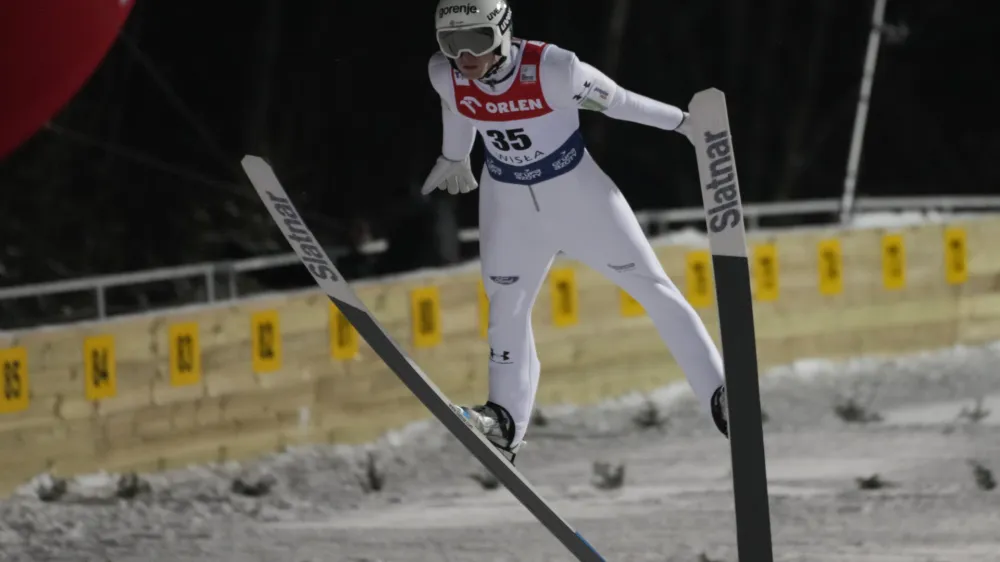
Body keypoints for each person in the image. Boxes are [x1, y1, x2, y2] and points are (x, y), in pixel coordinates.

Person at [423, 0, 728, 463]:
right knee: (506, 307)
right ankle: (505, 419)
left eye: (476, 41)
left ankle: (722, 394)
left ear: (502, 33)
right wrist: (455, 154)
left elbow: (619, 101)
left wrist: (684, 124)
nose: (464, 57)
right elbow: (457, 107)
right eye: (452, 43)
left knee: (652, 288)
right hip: (507, 201)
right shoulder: (445, 73)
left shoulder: (554, 69)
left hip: (577, 195)